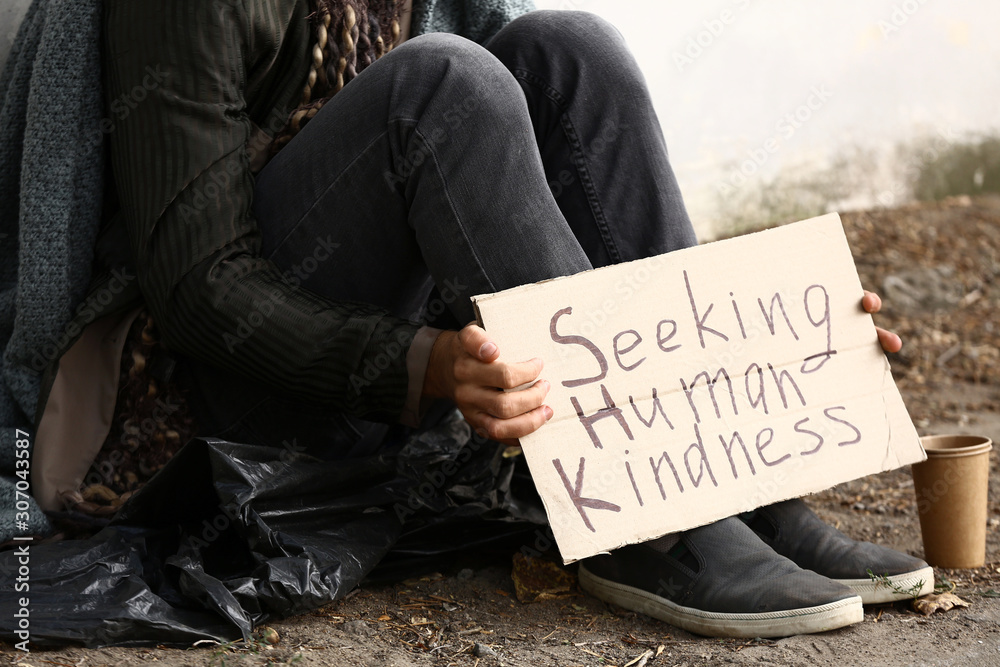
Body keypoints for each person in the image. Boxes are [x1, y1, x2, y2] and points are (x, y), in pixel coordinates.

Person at [94, 0, 931, 639]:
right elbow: (197, 287)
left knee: (570, 52)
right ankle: (640, 509)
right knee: (442, 86)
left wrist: (764, 335)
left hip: (359, 320)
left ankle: (735, 479)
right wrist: (421, 363)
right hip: (207, 400)